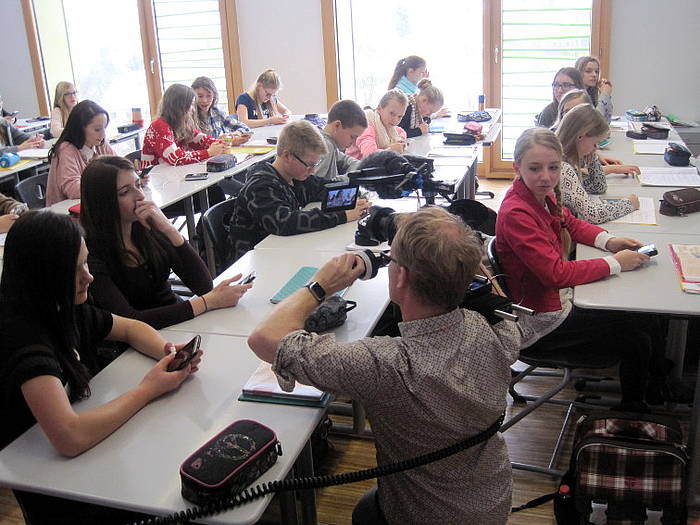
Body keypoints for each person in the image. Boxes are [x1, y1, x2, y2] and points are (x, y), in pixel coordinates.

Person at [247, 206, 520, 525]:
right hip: (492, 500)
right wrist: (445, 248)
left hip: (427, 515)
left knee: (365, 512)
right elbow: (494, 294)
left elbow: (264, 338)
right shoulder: (496, 330)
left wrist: (320, 285)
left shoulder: (385, 363)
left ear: (400, 277)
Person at [0, 210, 202, 524]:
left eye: (86, 262)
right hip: (59, 489)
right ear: (45, 274)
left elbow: (130, 329)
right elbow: (69, 436)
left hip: (91, 460)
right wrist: (148, 390)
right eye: (76, 267)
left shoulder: (59, 303)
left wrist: (168, 352)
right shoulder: (23, 336)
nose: (88, 276)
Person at [495, 127, 673, 413]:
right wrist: (616, 263)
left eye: (553, 168)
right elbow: (555, 274)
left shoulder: (541, 194)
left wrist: (609, 241)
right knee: (635, 336)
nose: (546, 176)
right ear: (517, 167)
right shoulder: (517, 213)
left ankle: (657, 385)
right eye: (535, 168)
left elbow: (571, 223)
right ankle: (633, 411)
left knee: (647, 318)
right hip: (543, 321)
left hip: (556, 301)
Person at [80, 156, 251, 329]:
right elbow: (130, 320)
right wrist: (206, 303)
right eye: (125, 192)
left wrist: (170, 229)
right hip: (140, 342)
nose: (139, 195)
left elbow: (203, 286)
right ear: (102, 201)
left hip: (177, 322)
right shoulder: (90, 256)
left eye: (138, 185)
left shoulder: (146, 226)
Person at [227, 120, 370, 262]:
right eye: (309, 165)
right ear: (287, 156)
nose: (313, 170)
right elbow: (284, 222)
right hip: (253, 263)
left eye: (316, 164)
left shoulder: (296, 177)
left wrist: (353, 198)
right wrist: (342, 215)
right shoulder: (260, 186)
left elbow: (323, 188)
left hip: (281, 252)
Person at [556, 104, 638, 224]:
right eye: (595, 143)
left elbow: (598, 187)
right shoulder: (562, 167)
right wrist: (628, 203)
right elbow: (593, 215)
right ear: (580, 136)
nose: (597, 148)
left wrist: (592, 157)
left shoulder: (569, 158)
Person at [46, 100, 115, 206]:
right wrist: (110, 184)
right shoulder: (66, 150)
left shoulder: (100, 143)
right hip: (66, 214)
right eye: (97, 129)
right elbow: (74, 189)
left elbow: (119, 167)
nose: (103, 134)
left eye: (104, 128)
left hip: (94, 205)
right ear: (80, 128)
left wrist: (133, 179)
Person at [554, 90, 640, 176]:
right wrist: (612, 169)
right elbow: (576, 174)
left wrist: (596, 155)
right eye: (567, 111)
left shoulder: (577, 144)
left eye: (580, 111)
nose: (574, 116)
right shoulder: (555, 149)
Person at [141, 83, 226, 167]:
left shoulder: (183, 124)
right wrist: (209, 152)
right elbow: (175, 158)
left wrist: (220, 144)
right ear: (179, 106)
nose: (193, 110)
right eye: (191, 105)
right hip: (154, 177)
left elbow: (202, 140)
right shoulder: (159, 126)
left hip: (173, 174)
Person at [346, 90, 408, 160]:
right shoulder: (366, 125)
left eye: (400, 116)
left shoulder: (389, 126)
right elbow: (369, 155)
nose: (395, 120)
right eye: (392, 114)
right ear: (379, 108)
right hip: (357, 167)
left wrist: (400, 140)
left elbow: (401, 132)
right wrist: (391, 150)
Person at [315, 99, 367, 182]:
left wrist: (357, 171)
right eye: (352, 137)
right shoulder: (325, 146)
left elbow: (350, 161)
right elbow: (316, 186)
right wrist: (351, 179)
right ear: (337, 125)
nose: (354, 143)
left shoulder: (331, 144)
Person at [191, 76, 251, 141]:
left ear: (214, 96)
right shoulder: (189, 116)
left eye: (209, 96)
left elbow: (245, 127)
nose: (204, 100)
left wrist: (236, 133)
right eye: (200, 96)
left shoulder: (217, 112)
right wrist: (220, 141)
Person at [575, 56, 613, 121]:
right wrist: (604, 95)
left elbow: (606, 120)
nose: (594, 75)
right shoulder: (576, 96)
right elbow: (594, 122)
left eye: (597, 71)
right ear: (578, 73)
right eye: (588, 71)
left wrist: (607, 96)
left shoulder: (591, 92)